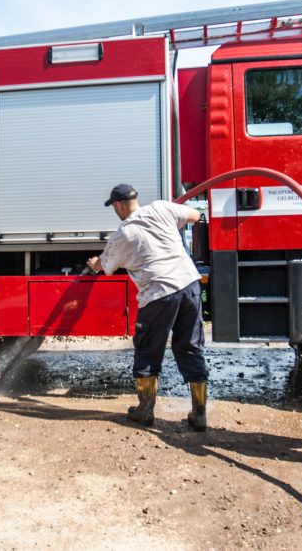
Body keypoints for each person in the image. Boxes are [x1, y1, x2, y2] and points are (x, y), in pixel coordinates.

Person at [87, 184, 209, 431]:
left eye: (113, 207)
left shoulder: (124, 233)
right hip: (189, 285)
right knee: (190, 348)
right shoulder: (162, 208)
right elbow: (195, 216)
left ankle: (145, 411)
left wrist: (93, 264)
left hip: (158, 294)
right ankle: (199, 414)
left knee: (147, 351)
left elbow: (104, 264)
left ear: (119, 205)